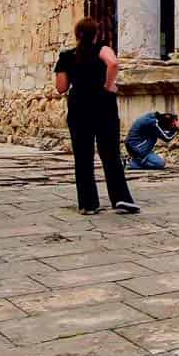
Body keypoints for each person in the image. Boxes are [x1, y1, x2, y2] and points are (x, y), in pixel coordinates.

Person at [53, 17, 139, 216]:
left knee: (83, 157)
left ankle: (88, 204)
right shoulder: (102, 49)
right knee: (110, 154)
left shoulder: (66, 56)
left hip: (79, 108)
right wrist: (108, 86)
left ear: (76, 35)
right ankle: (121, 199)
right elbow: (113, 63)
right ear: (96, 35)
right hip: (103, 106)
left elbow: (61, 88)